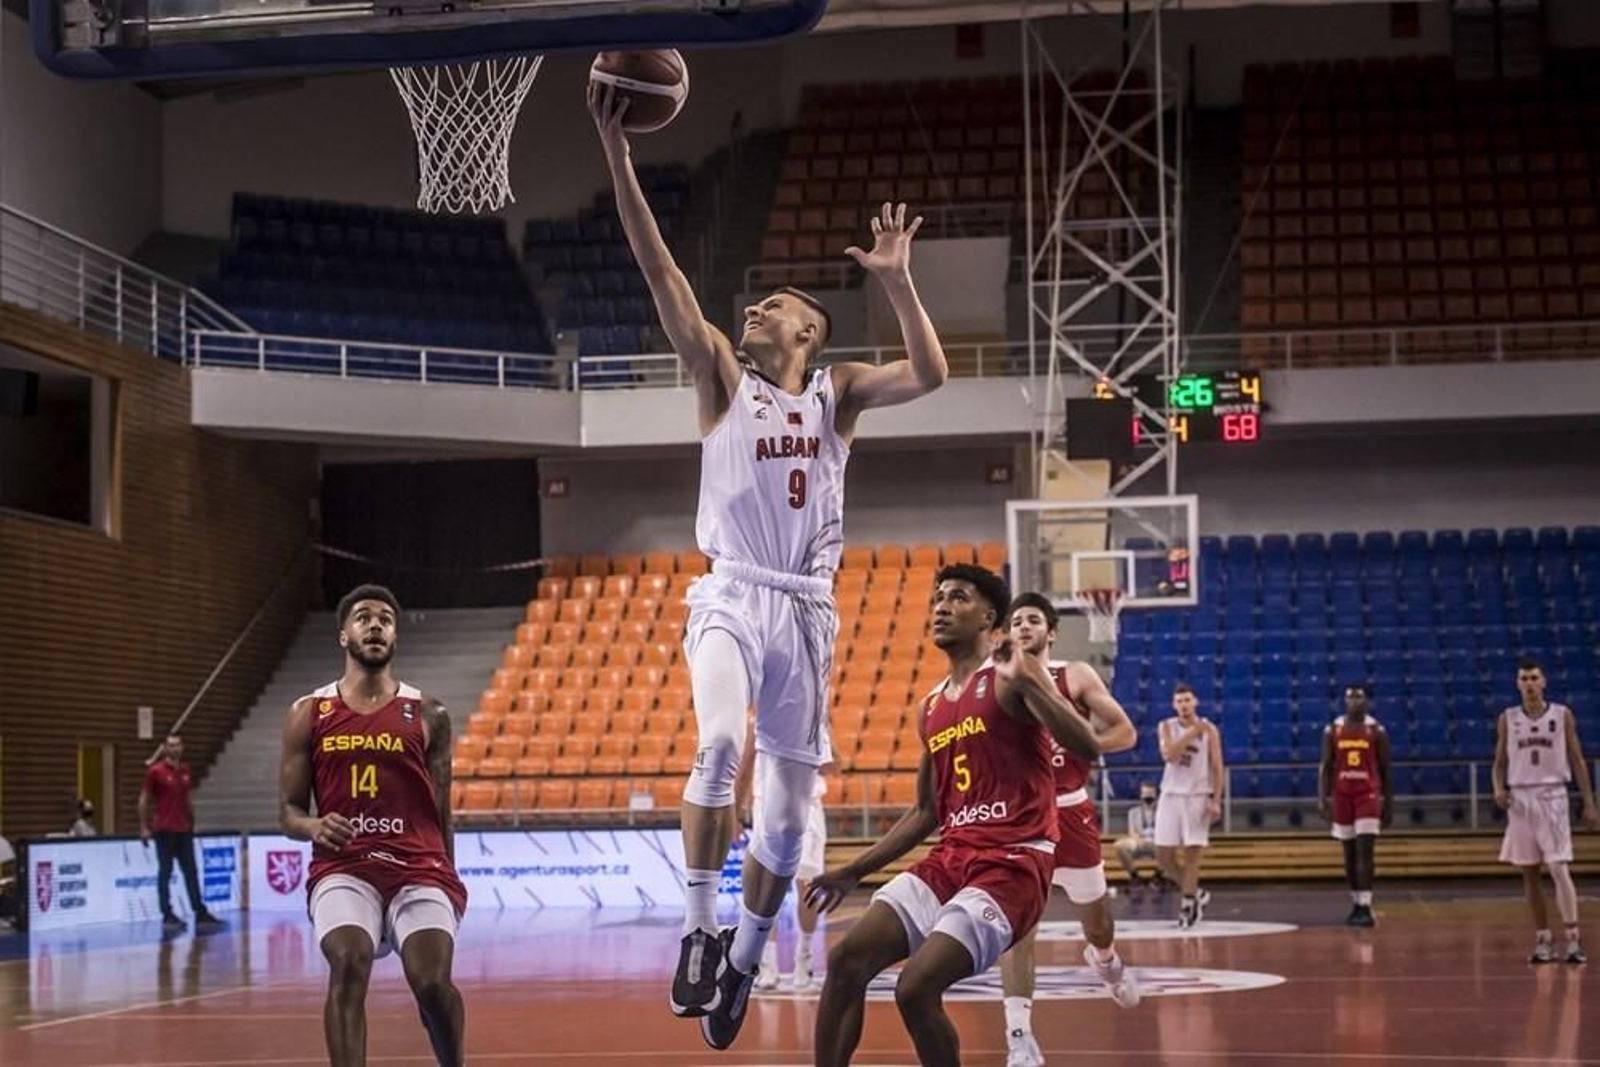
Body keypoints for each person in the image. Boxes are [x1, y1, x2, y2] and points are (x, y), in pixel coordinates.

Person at [589, 82, 950, 1050]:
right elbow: (660, 270)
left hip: (806, 613)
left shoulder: (836, 397)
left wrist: (898, 280)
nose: (755, 306)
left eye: (776, 305)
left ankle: (743, 959)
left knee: (787, 827)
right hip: (731, 591)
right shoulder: (718, 375)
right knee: (714, 747)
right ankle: (698, 928)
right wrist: (616, 152)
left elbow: (930, 373)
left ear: (809, 333)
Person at [805, 564, 1104, 1067]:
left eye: (958, 598)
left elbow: (1087, 747)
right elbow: (926, 811)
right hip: (952, 857)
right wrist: (853, 870)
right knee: (845, 962)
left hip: (1014, 863)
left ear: (991, 617)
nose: (942, 607)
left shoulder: (1012, 676)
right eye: (939, 598)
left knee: (915, 987)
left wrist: (1033, 685)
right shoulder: (930, 707)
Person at [279, 584, 469, 1067]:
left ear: (396, 636)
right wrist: (314, 826)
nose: (375, 625)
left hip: (419, 867)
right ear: (344, 635)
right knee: (348, 963)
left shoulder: (430, 714)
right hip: (345, 867)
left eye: (385, 618)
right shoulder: (309, 713)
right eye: (363, 617)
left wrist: (450, 881)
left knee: (430, 984)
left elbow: (443, 810)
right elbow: (288, 812)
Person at [998, 593, 1141, 1067]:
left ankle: (1104, 960)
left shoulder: (1074, 675)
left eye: (1033, 619)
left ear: (1051, 631)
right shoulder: (997, 682)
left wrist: (1086, 743)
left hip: (1071, 813)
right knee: (1019, 929)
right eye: (1016, 621)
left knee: (1098, 925)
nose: (1023, 626)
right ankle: (1018, 1035)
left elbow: (1126, 731)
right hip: (1020, 818)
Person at [1492, 657, 1599, 964]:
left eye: (1533, 678)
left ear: (1544, 681)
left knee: (1558, 867)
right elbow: (1499, 763)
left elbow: (1578, 760)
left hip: (1552, 795)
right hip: (1520, 798)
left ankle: (1574, 939)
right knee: (1529, 872)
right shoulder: (1508, 718)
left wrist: (1589, 803)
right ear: (1517, 684)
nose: (1529, 684)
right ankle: (1543, 939)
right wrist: (1498, 788)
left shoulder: (1562, 714)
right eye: (1523, 678)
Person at [750, 755, 831, 991]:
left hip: (807, 804)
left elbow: (835, 765)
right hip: (766, 804)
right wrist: (736, 807)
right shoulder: (758, 722)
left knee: (809, 885)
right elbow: (745, 764)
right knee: (767, 887)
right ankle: (767, 965)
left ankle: (803, 961)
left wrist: (826, 734)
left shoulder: (816, 720)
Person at [1318, 683, 1392, 927]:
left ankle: (1366, 904)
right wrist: (1322, 797)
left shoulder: (1376, 730)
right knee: (1349, 854)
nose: (1354, 702)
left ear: (1367, 700)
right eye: (1350, 697)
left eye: (1359, 697)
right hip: (1342, 795)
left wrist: (1389, 803)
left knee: (1365, 851)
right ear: (1344, 700)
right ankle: (1355, 903)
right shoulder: (1333, 729)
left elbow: (1386, 769)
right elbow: (1326, 766)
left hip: (1367, 795)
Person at [1154, 685, 1224, 929]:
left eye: (1187, 700)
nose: (1183, 704)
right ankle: (1195, 892)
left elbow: (1217, 766)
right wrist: (1193, 731)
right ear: (1174, 705)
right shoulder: (1166, 726)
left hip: (1198, 795)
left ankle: (1187, 906)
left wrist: (1216, 800)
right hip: (1171, 794)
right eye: (1179, 701)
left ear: (1195, 702)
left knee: (1192, 856)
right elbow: (1170, 754)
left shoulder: (1210, 730)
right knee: (1163, 856)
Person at [140, 734, 222, 931]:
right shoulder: (156, 771)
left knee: (191, 872)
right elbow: (144, 799)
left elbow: (187, 799)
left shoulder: (185, 771)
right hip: (164, 829)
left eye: (177, 745)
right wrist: (144, 826)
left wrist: (192, 822)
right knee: (165, 872)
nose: (174, 748)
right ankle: (167, 913)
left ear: (182, 747)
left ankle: (199, 912)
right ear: (165, 748)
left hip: (184, 830)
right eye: (170, 745)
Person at [1114, 783, 1160, 889]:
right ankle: (1134, 876)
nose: (1148, 797)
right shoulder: (1133, 812)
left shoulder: (1161, 812)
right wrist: (1139, 840)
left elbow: (1164, 831)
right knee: (1119, 845)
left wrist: (1153, 840)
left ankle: (1158, 876)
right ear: (1141, 795)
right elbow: (1132, 832)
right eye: (1145, 794)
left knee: (1169, 846)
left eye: (1151, 794)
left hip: (1156, 842)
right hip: (1138, 841)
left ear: (1156, 795)